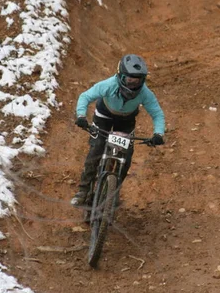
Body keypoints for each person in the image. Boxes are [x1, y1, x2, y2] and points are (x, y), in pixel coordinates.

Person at [71, 54, 165, 206]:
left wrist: (158, 133)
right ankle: (83, 190)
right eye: (130, 79)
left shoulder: (145, 93)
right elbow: (85, 96)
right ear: (120, 76)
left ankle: (113, 192)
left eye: (138, 80)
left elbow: (157, 113)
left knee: (126, 157)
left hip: (126, 121)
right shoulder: (108, 85)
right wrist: (81, 115)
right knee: (96, 149)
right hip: (104, 117)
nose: (134, 84)